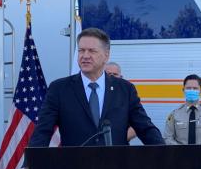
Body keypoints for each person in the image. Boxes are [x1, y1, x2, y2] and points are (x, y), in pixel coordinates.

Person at [29, 28, 163, 147]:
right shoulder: (59, 89)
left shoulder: (125, 89)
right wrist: (28, 166)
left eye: (92, 51)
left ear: (106, 55)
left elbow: (145, 128)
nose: (85, 56)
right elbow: (42, 131)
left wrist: (168, 158)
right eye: (81, 50)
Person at [105, 61, 137, 142]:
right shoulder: (95, 95)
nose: (112, 76)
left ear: (121, 77)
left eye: (115, 74)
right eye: (109, 74)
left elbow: (137, 124)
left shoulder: (128, 95)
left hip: (121, 148)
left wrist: (119, 139)